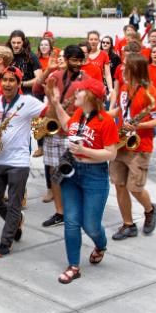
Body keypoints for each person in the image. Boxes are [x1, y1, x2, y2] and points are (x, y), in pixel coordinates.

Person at [47, 76, 118, 284]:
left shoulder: (105, 121)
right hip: (72, 173)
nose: (75, 94)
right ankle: (74, 266)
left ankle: (100, 245)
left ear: (90, 96)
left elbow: (111, 154)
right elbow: (68, 125)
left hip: (95, 175)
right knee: (71, 222)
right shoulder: (79, 113)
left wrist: (84, 150)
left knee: (91, 225)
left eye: (79, 91)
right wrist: (56, 103)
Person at [0, 67, 46, 257]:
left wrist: (52, 95)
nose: (7, 84)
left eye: (12, 80)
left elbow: (47, 112)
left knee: (14, 202)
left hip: (19, 161)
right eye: (5, 80)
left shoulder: (27, 102)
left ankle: (6, 241)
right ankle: (17, 220)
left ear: (19, 84)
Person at [108, 55, 156, 241]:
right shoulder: (125, 88)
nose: (123, 70)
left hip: (140, 146)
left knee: (135, 187)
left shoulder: (150, 92)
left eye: (127, 67)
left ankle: (150, 210)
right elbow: (120, 110)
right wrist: (101, 114)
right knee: (119, 185)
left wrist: (139, 126)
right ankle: (128, 224)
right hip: (121, 143)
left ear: (137, 69)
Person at [41, 44, 90, 226]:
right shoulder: (55, 77)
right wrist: (49, 81)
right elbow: (40, 90)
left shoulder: (86, 79)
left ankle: (77, 210)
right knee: (55, 171)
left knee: (74, 173)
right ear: (67, 59)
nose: (78, 64)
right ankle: (59, 212)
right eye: (74, 60)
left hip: (74, 131)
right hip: (54, 130)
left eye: (80, 60)